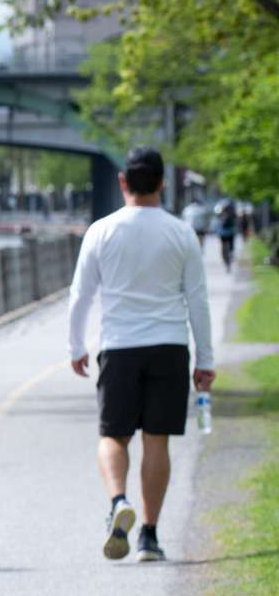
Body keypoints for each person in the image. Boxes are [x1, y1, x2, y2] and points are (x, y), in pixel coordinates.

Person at [67, 146, 213, 564]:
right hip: (169, 345)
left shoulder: (101, 231)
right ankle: (149, 536)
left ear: (122, 182)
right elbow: (197, 301)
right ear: (163, 183)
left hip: (119, 346)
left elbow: (81, 295)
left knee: (113, 435)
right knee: (157, 440)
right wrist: (205, 359)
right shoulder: (181, 233)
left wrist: (76, 347)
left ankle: (118, 502)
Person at [215, 200, 237, 273]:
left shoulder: (220, 212)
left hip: (222, 233)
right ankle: (230, 254)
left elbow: (217, 222)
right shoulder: (231, 212)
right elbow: (235, 221)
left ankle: (224, 258)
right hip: (230, 232)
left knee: (223, 246)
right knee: (231, 245)